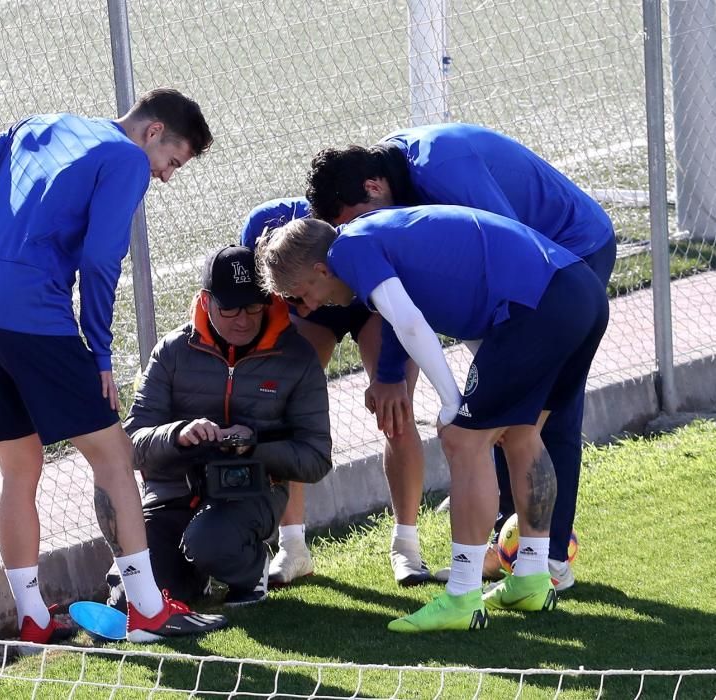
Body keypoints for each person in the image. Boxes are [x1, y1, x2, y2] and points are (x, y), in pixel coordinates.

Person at [0, 87, 227, 644]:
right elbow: (99, 260)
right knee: (115, 458)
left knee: (19, 470)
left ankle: (34, 618)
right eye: (172, 162)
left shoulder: (36, 122)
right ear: (152, 132)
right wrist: (98, 351)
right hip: (34, 321)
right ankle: (146, 611)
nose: (165, 176)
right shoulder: (124, 159)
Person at [256, 205, 609, 632]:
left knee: (462, 439)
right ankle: (532, 577)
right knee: (523, 433)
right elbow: (417, 313)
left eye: (301, 292)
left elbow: (409, 324)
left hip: (539, 304)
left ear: (320, 268)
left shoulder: (349, 250)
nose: (308, 307)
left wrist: (450, 401)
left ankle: (462, 595)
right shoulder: (369, 237)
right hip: (579, 292)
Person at [306, 122, 617, 589]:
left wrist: (449, 393)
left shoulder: (441, 165)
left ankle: (546, 557)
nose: (358, 235)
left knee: (538, 416)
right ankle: (516, 552)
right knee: (503, 415)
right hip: (538, 281)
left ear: (373, 186)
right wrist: (389, 372)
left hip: (570, 256)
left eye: (357, 220)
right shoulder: (395, 186)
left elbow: (516, 245)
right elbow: (405, 295)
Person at [106, 244, 331, 608]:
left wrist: (253, 444)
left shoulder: (297, 357)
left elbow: (317, 459)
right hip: (171, 492)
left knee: (210, 542)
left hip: (250, 491)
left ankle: (250, 570)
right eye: (229, 308)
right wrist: (178, 434)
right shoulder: (171, 351)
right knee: (132, 599)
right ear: (205, 300)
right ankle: (195, 580)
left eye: (253, 306)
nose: (243, 319)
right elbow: (130, 444)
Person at [240, 198, 431, 588]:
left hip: (372, 303)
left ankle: (406, 548)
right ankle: (292, 547)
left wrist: (389, 377)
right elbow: (266, 311)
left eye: (298, 295)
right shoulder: (261, 237)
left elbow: (401, 305)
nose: (304, 309)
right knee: (278, 409)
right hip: (318, 287)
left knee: (396, 411)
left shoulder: (361, 237)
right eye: (289, 297)